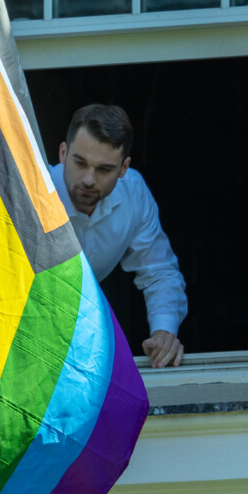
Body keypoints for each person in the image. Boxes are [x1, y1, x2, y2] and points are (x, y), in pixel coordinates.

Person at [50, 103, 187, 368]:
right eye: (80, 163)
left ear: (123, 168)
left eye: (104, 169)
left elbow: (159, 271)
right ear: (63, 153)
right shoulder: (32, 193)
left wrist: (164, 332)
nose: (89, 179)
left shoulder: (133, 192)